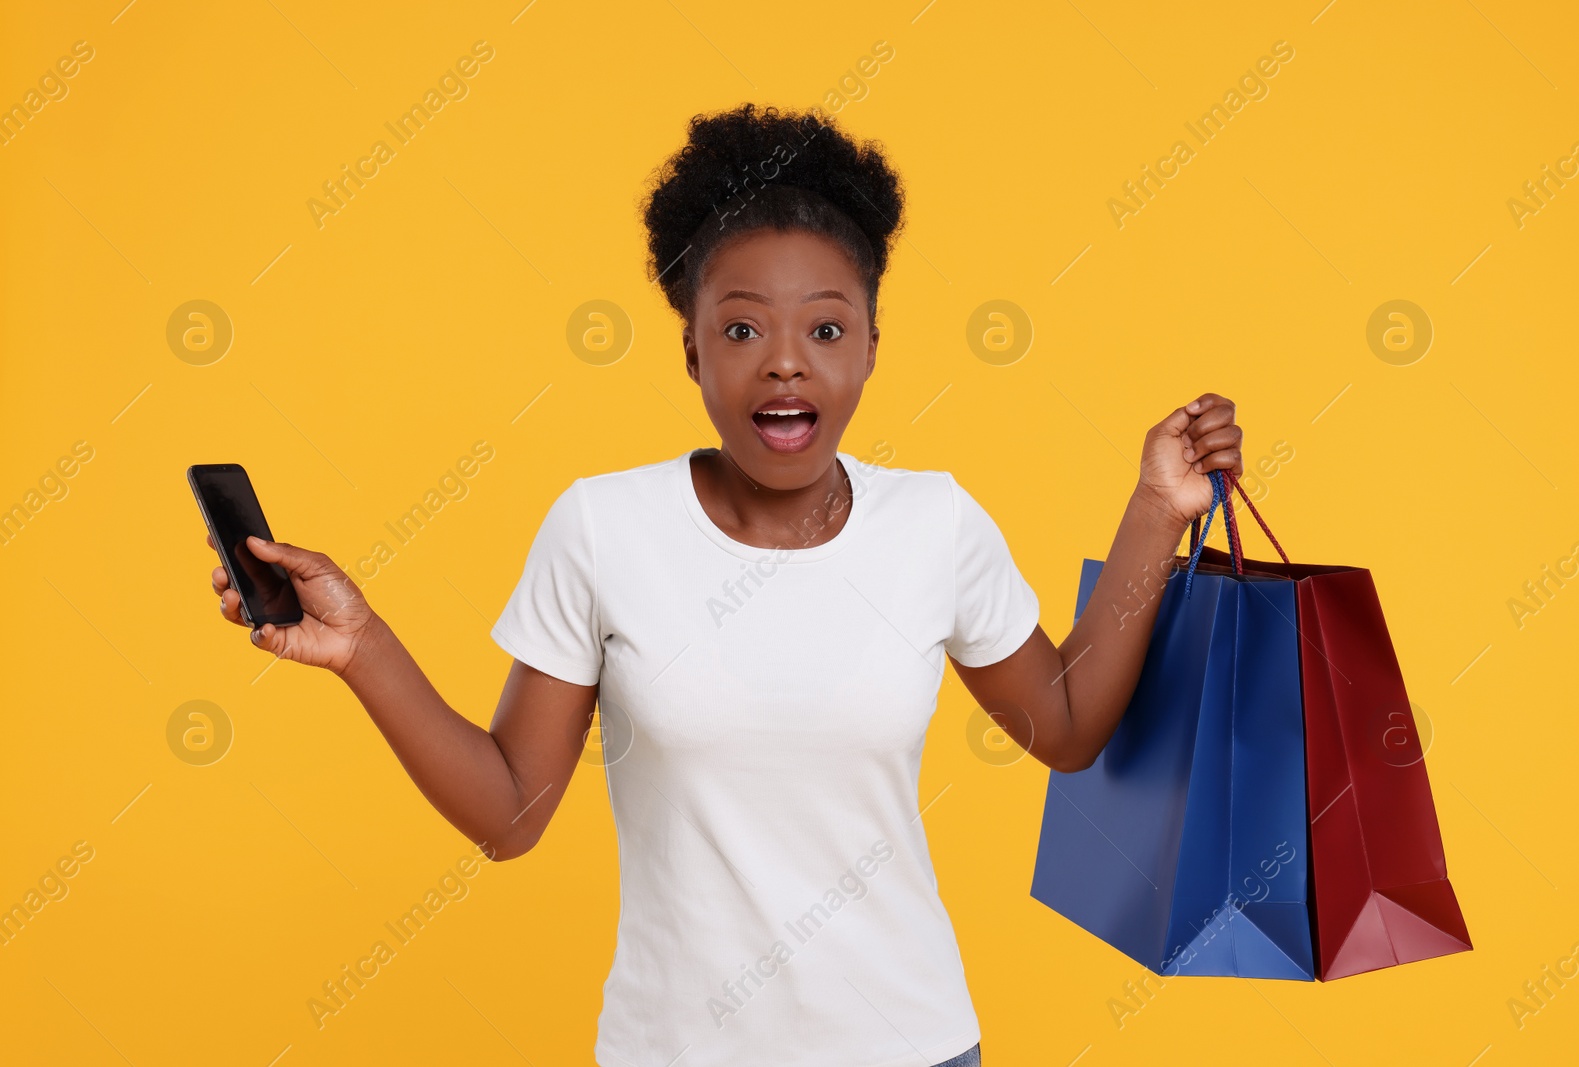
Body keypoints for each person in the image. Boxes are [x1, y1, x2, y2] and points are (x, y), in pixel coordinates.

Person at [203, 103, 1244, 1067]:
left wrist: (1156, 508)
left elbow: (1062, 726)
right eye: (742, 329)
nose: (784, 364)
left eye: (825, 330)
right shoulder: (603, 528)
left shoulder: (934, 523)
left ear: (873, 349)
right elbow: (511, 814)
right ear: (691, 350)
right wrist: (362, 645)